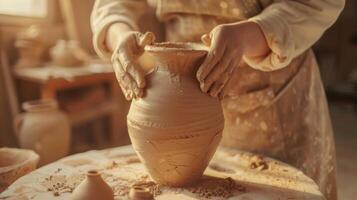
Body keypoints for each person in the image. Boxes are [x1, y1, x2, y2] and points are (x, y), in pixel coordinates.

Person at [91, 0, 345, 199]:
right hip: (176, 89)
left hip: (274, 97)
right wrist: (118, 34)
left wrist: (251, 34)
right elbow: (113, 4)